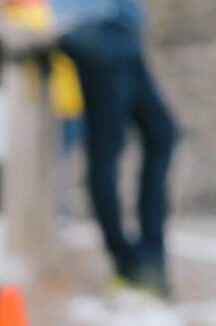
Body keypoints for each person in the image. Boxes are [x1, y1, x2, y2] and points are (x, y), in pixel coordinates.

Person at [51, 0, 178, 297]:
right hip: (93, 27)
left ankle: (148, 254)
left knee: (161, 134)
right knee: (107, 149)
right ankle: (128, 261)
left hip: (119, 27)